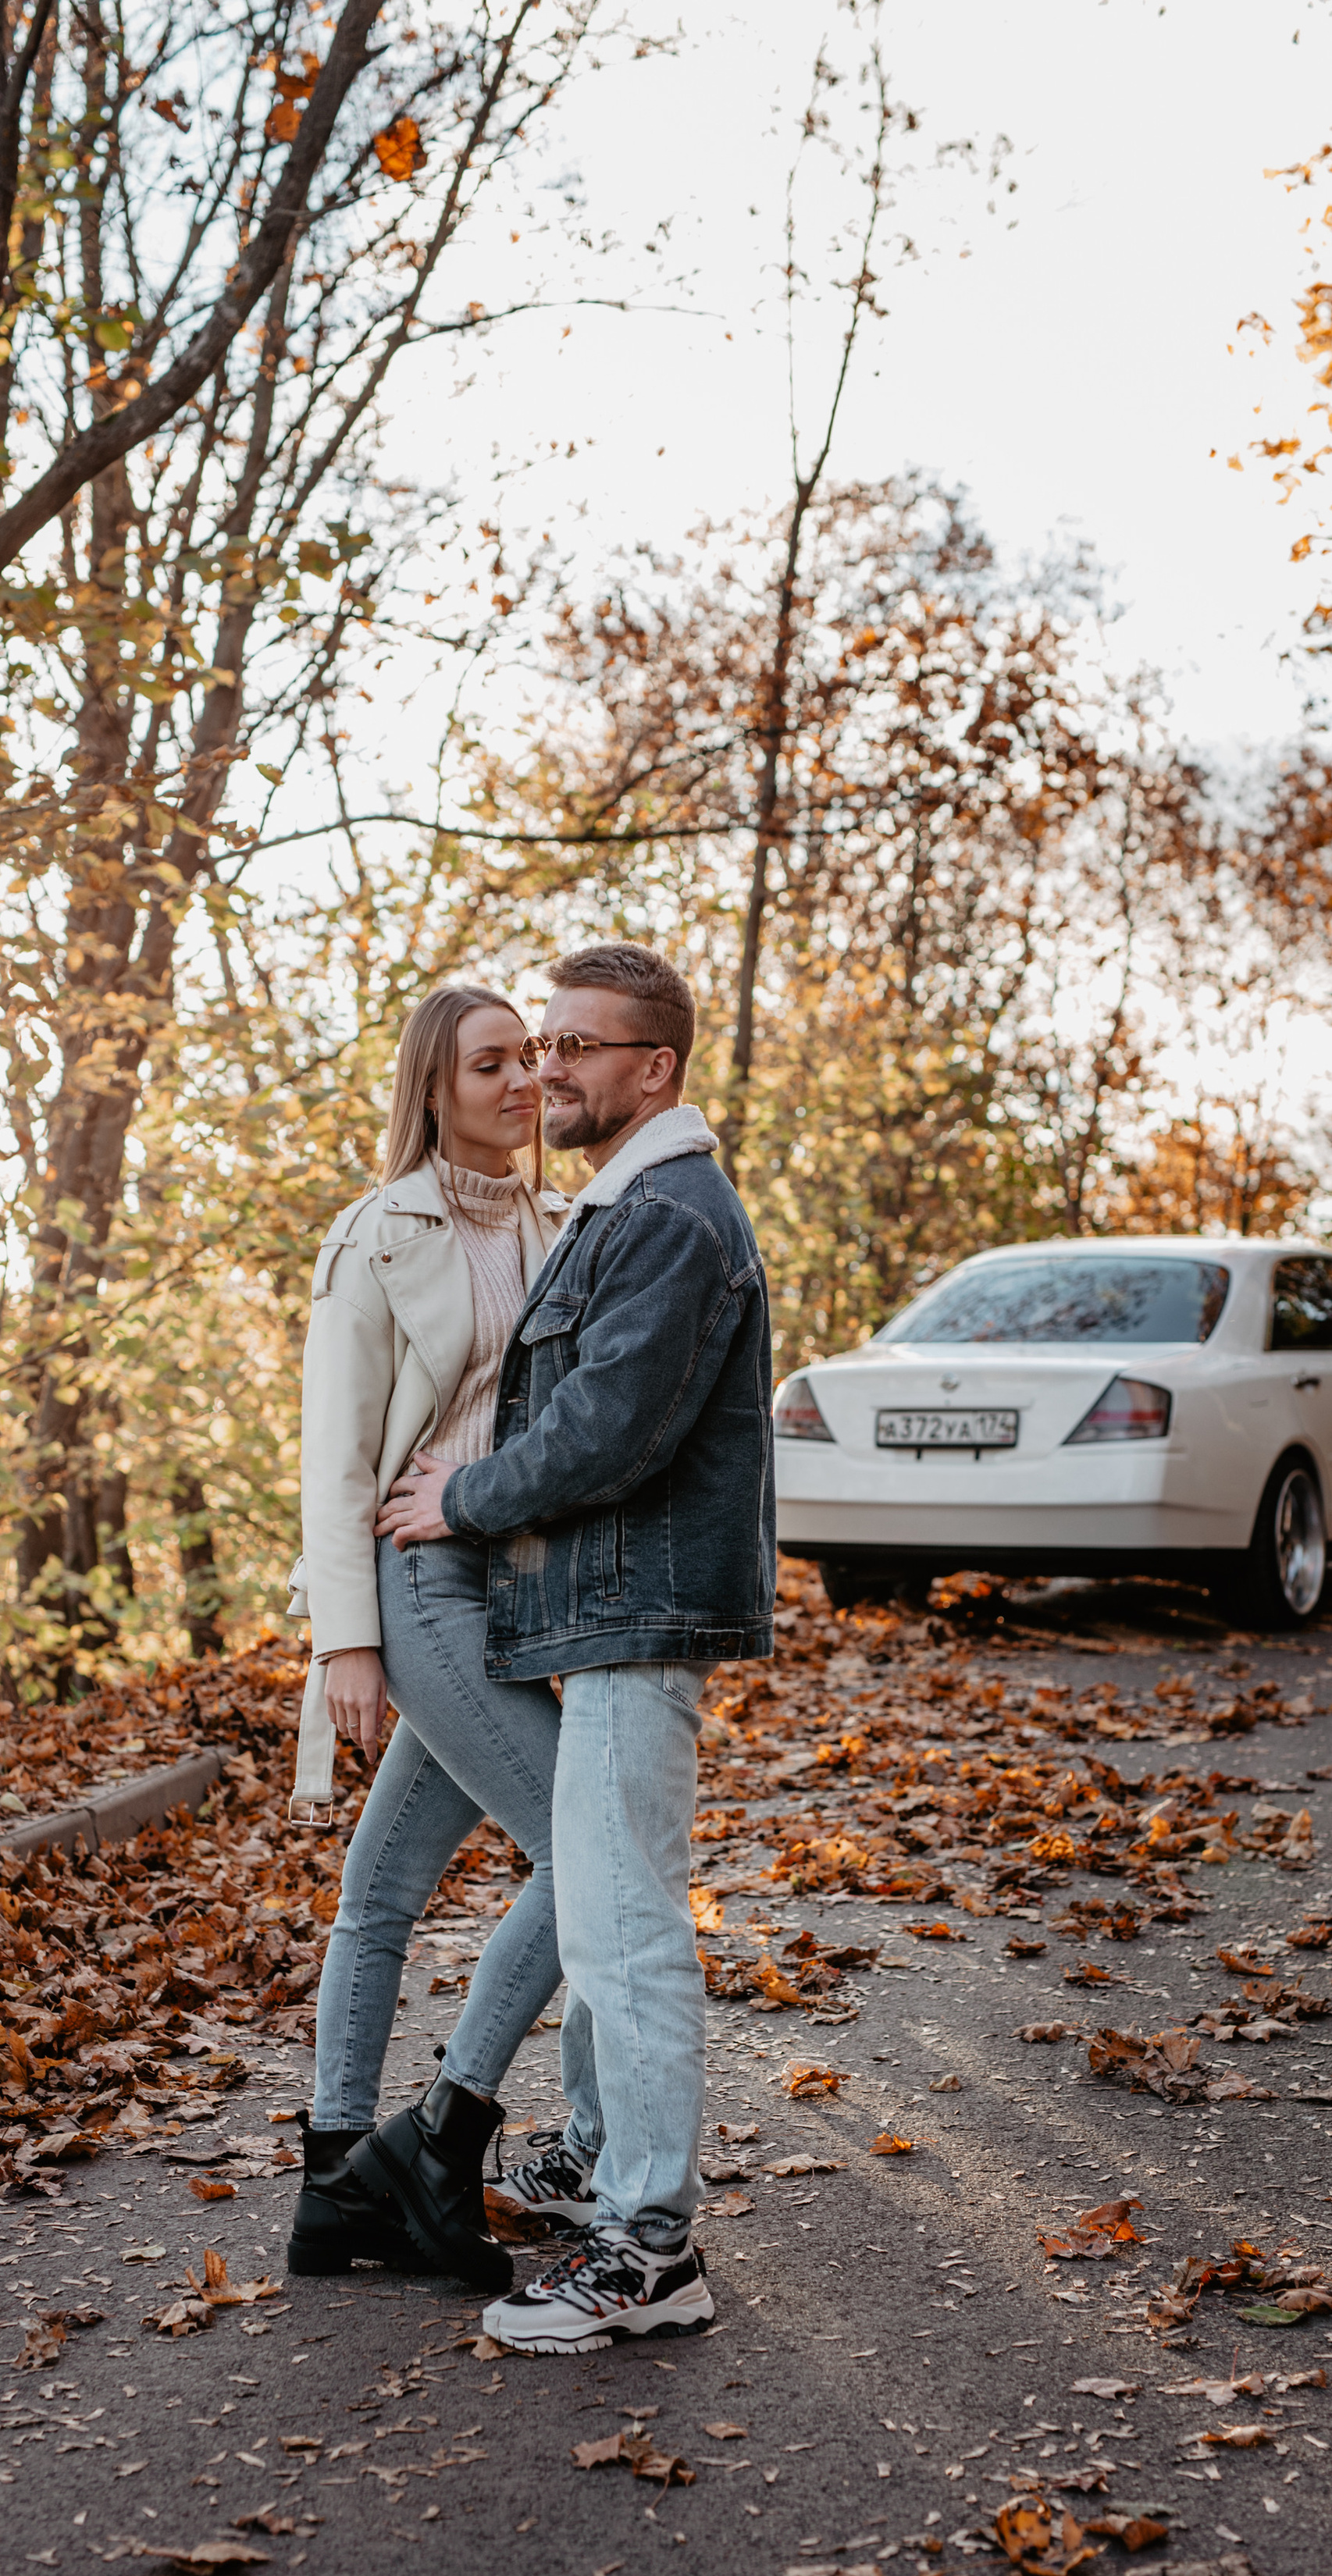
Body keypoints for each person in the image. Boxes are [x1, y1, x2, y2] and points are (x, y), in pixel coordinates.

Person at [375, 941, 775, 2353]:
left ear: (653, 1067)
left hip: (638, 1602)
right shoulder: (634, 1204)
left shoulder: (668, 1216)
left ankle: (650, 2246)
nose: (548, 1070)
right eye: (536, 1045)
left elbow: (608, 1429)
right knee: (610, 1903)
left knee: (626, 1928)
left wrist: (460, 1496)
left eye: (577, 1047)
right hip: (614, 1604)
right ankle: (602, 2159)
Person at [287, 981, 579, 2293]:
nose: (521, 1081)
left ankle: (337, 2181)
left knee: (386, 1881)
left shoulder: (563, 1225)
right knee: (594, 1844)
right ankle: (444, 2135)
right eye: (489, 1065)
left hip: (512, 1585)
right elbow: (334, 1459)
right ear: (434, 1089)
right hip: (420, 1582)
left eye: (531, 1057)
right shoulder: (376, 1236)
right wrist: (349, 1642)